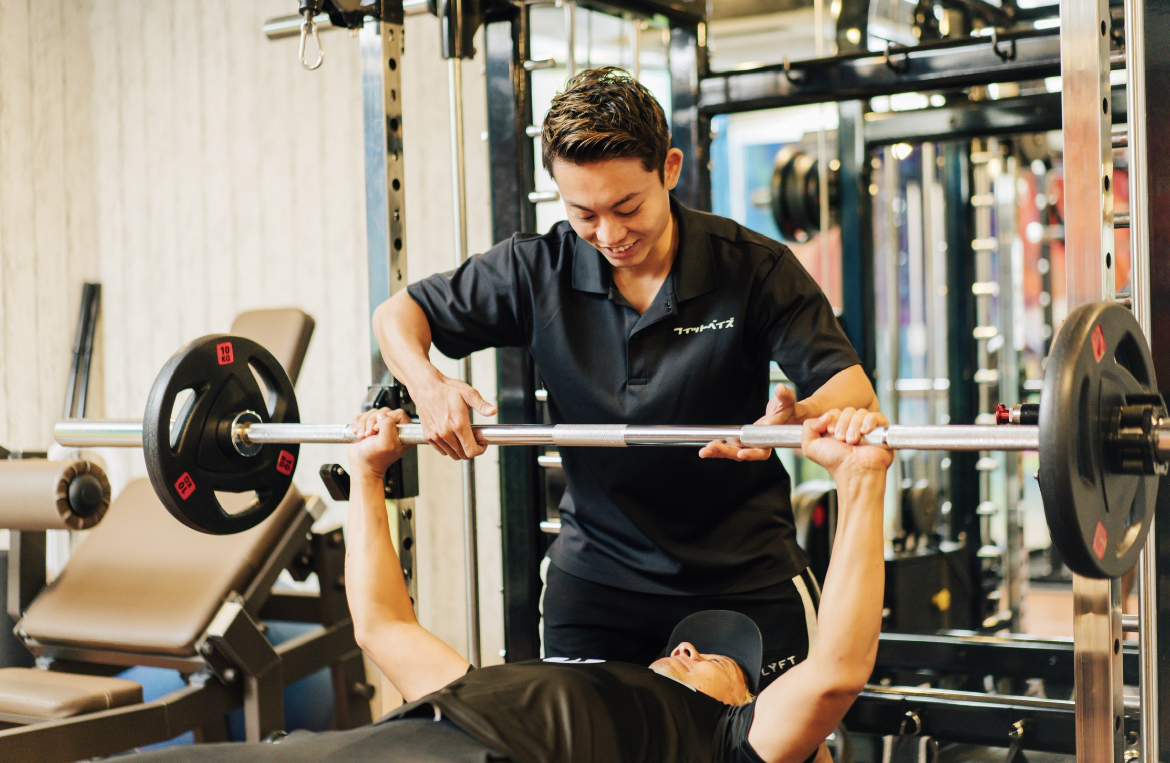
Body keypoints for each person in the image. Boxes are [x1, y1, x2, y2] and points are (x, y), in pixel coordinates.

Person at [373, 66, 885, 687]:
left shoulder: (755, 268)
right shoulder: (537, 271)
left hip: (746, 574)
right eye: (584, 213)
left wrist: (796, 418)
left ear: (669, 169)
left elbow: (851, 392)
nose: (610, 235)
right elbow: (397, 315)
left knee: (777, 748)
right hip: (599, 580)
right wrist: (430, 385)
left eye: (627, 206)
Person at [130, 405, 892, 763]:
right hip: (399, 741)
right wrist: (367, 476)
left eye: (723, 663)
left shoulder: (725, 744)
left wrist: (860, 484)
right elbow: (382, 628)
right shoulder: (497, 686)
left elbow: (834, 674)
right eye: (687, 646)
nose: (687, 643)